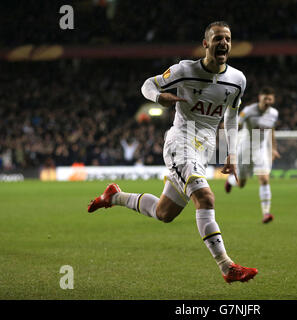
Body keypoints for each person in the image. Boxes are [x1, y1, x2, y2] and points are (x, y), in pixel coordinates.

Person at [87, 21, 258, 283]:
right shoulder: (184, 70)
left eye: (228, 38)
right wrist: (159, 97)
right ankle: (227, 266)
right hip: (181, 142)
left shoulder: (237, 80)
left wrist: (231, 153)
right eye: (218, 38)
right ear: (206, 44)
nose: (223, 43)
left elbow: (232, 117)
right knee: (206, 198)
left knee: (164, 213)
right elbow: (148, 84)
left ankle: (114, 196)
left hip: (203, 150)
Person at [225, 87, 280, 224]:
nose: (267, 101)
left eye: (270, 98)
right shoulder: (248, 111)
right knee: (241, 183)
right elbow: (235, 124)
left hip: (261, 149)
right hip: (245, 148)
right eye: (265, 98)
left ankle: (266, 213)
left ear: (273, 99)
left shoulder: (274, 113)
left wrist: (273, 148)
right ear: (259, 97)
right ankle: (231, 181)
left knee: (264, 179)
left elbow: (271, 130)